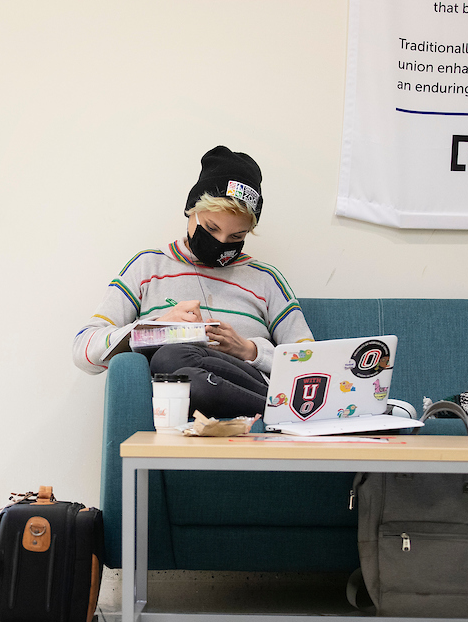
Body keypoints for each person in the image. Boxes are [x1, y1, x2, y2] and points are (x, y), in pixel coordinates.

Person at [72, 146, 314, 418]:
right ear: (191, 211)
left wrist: (249, 350)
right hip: (177, 393)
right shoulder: (147, 267)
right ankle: (278, 411)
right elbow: (84, 351)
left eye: (236, 237)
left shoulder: (265, 279)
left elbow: (309, 362)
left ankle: (272, 407)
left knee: (172, 358)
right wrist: (155, 328)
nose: (221, 242)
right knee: (173, 361)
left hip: (247, 385)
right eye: (211, 228)